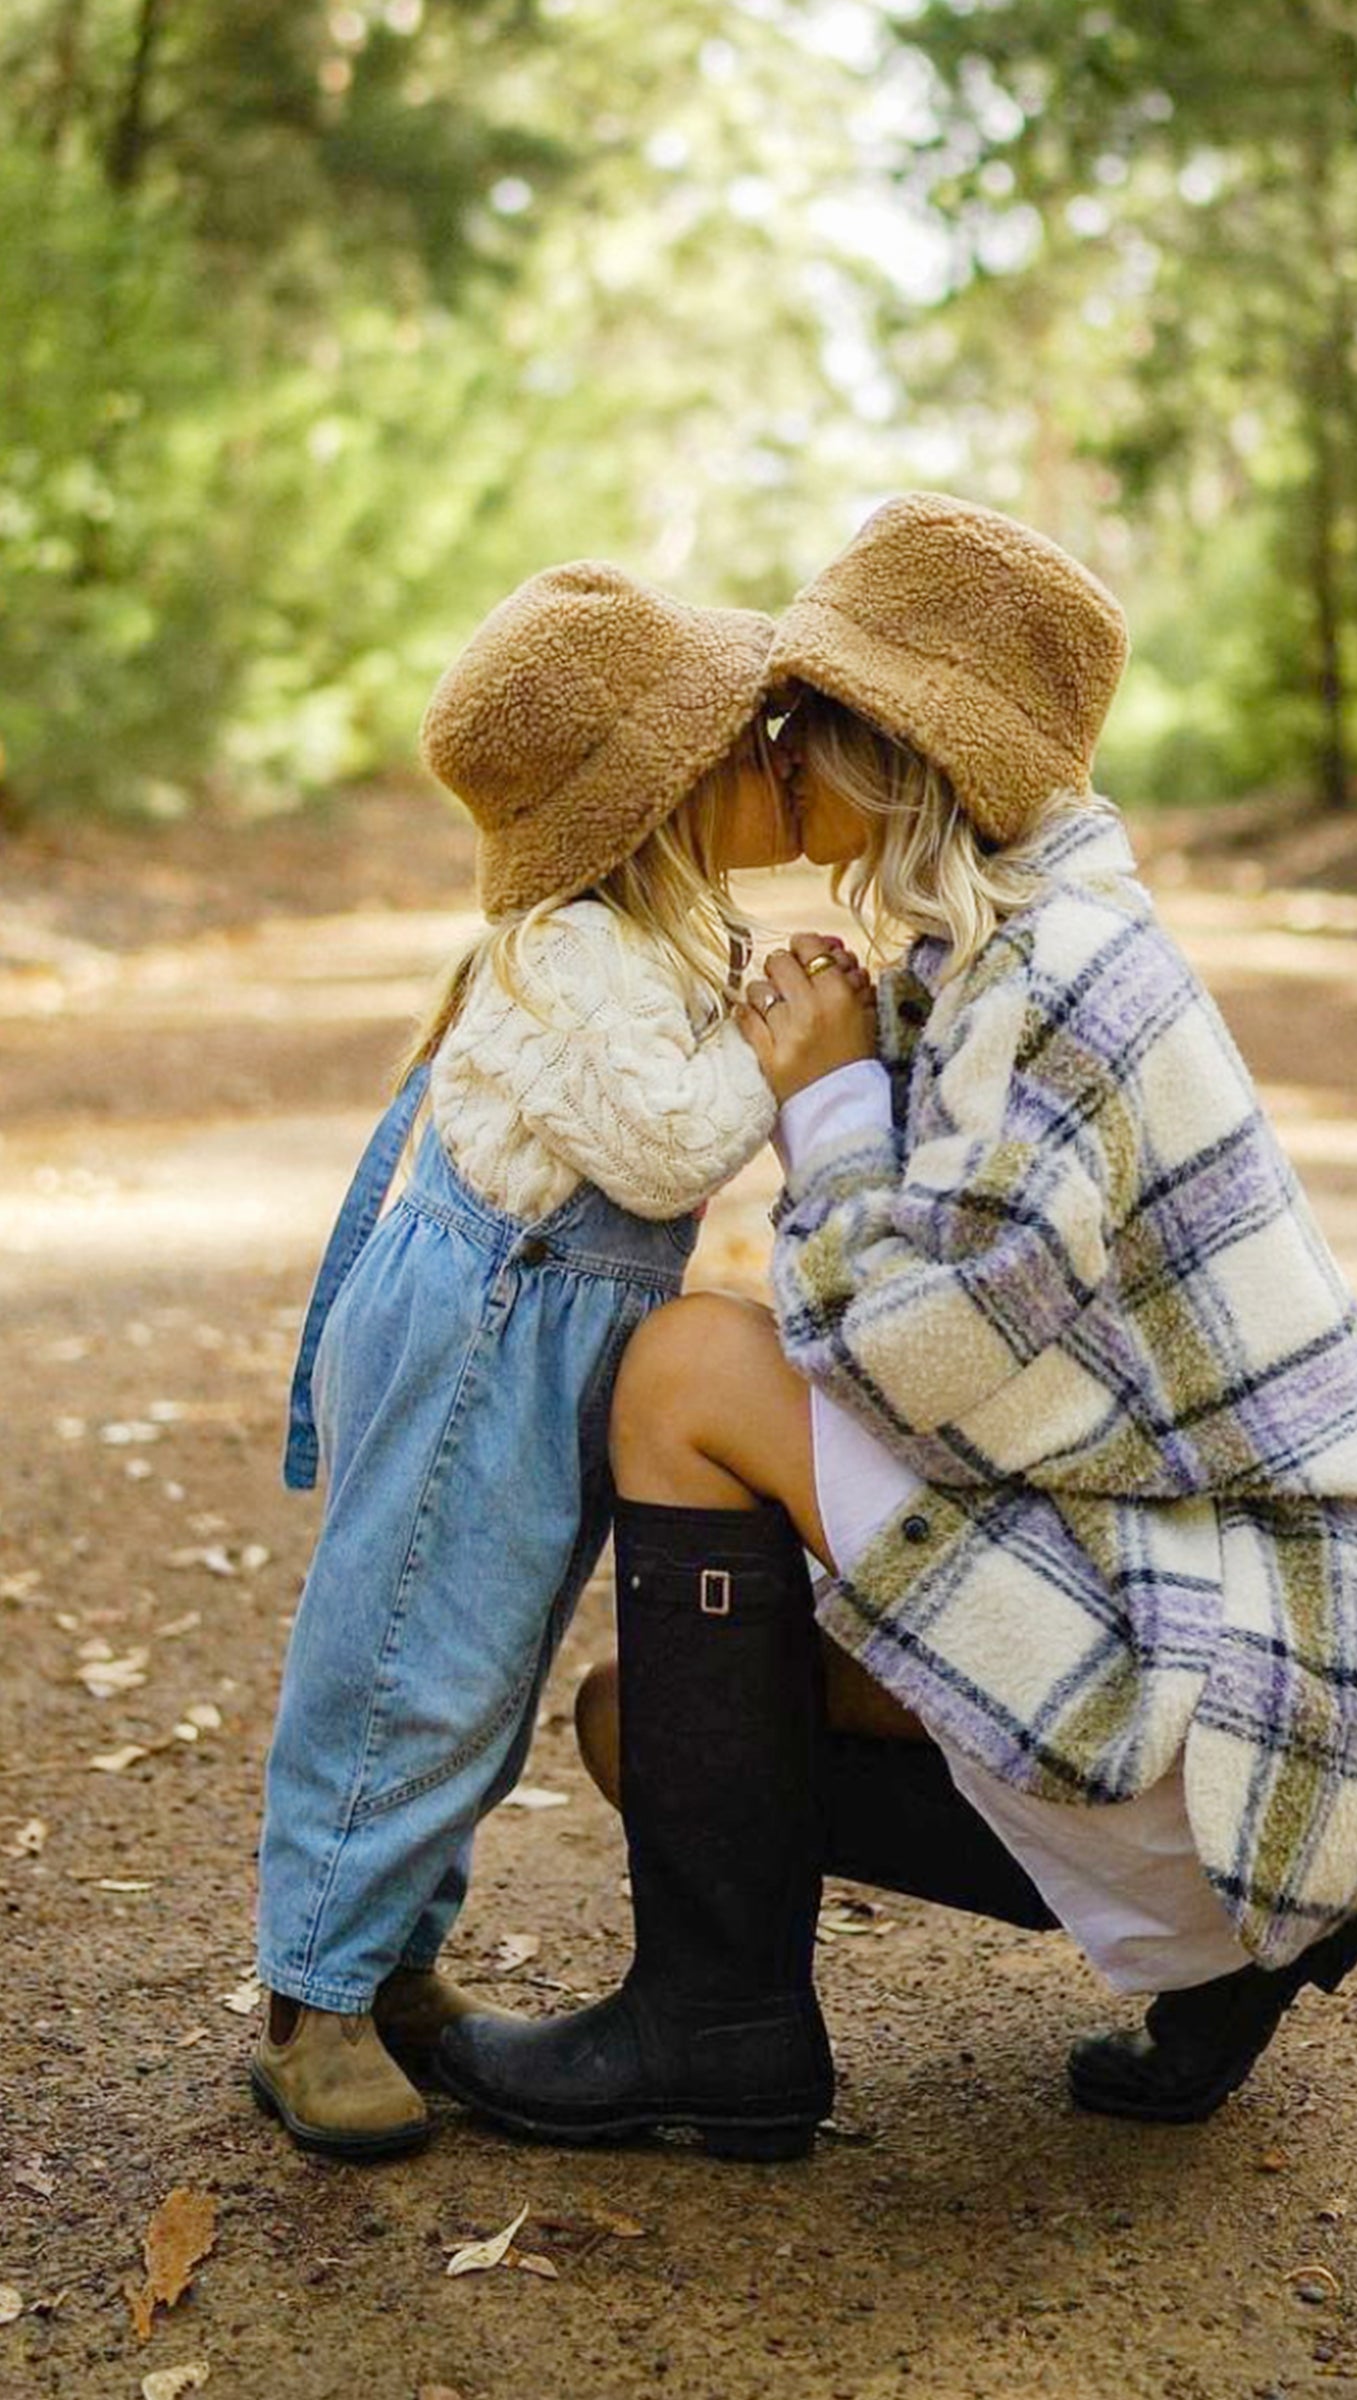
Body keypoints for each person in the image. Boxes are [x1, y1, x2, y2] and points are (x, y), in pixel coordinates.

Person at [434, 493, 1357, 2161]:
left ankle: (721, 2035)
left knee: (691, 1370)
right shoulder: (994, 940)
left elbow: (922, 1364)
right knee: (649, 1722)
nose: (771, 742)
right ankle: (1229, 1943)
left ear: (895, 746)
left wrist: (831, 1099)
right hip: (1249, 1652)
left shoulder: (1059, 970)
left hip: (1276, 1686)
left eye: (807, 711)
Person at [252, 561, 841, 2159]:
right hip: (486, 1334)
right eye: (749, 733)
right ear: (663, 793)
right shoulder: (569, 948)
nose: (781, 745)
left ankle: (389, 1962)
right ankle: (312, 1992)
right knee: (409, 1659)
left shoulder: (661, 931)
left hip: (540, 1333)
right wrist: (789, 1058)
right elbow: (662, 1154)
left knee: (483, 1667)